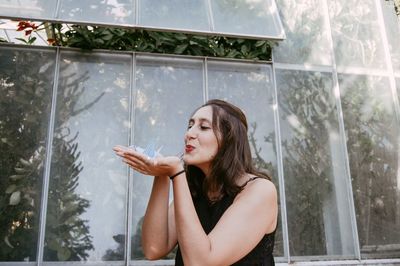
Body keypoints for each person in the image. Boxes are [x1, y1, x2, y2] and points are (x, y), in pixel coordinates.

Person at [113, 99, 278, 265]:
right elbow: (153, 249)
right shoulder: (193, 191)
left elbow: (201, 263)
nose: (189, 134)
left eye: (204, 127)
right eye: (190, 126)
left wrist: (176, 172)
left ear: (229, 138)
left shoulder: (260, 190)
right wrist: (161, 175)